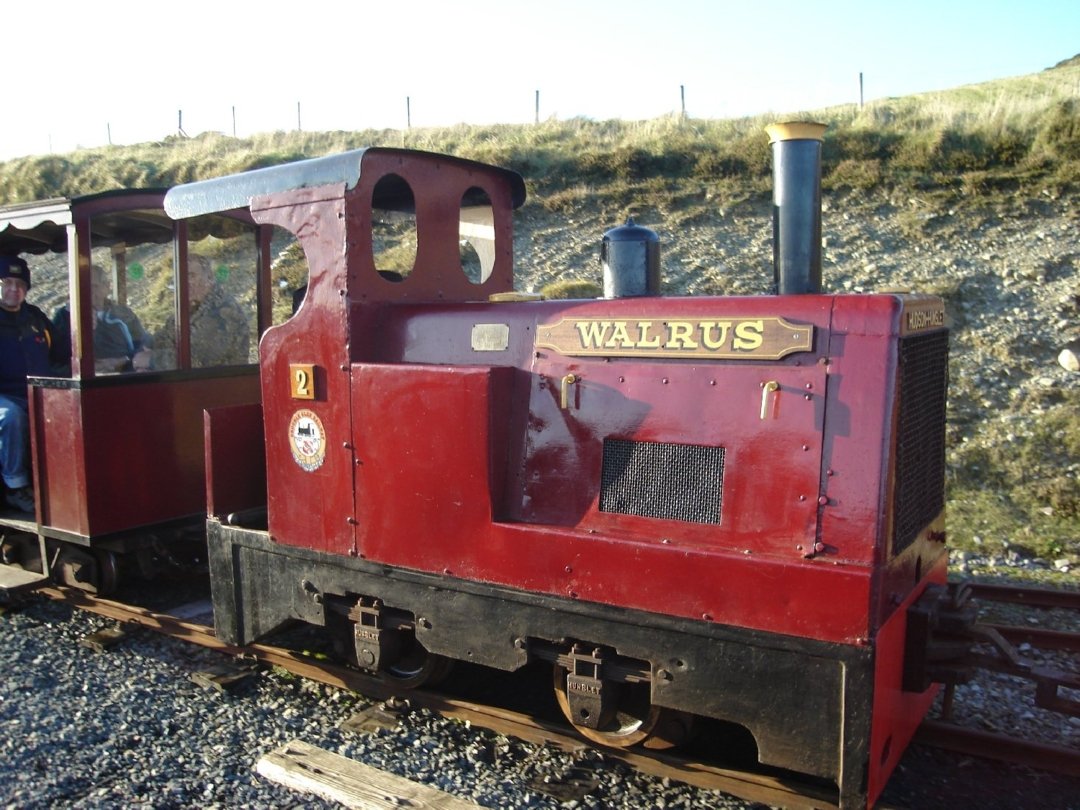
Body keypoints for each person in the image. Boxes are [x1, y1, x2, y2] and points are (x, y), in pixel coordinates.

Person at [0, 255, 64, 513]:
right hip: (5, 396)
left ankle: (58, 487)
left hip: (38, 395)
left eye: (19, 284)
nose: (13, 289)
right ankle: (15, 487)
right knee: (11, 417)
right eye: (6, 282)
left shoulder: (36, 319)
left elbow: (62, 354)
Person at [52, 264, 154, 374]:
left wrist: (123, 360)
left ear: (106, 287)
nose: (87, 291)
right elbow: (57, 356)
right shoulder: (65, 316)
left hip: (127, 374)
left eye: (93, 286)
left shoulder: (123, 314)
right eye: (81, 287)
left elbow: (143, 344)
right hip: (88, 380)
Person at [155, 254, 250, 369]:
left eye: (191, 276)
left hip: (220, 384)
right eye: (180, 277)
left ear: (209, 278)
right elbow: (162, 337)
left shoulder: (222, 312)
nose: (185, 282)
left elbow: (193, 360)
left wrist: (151, 359)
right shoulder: (190, 308)